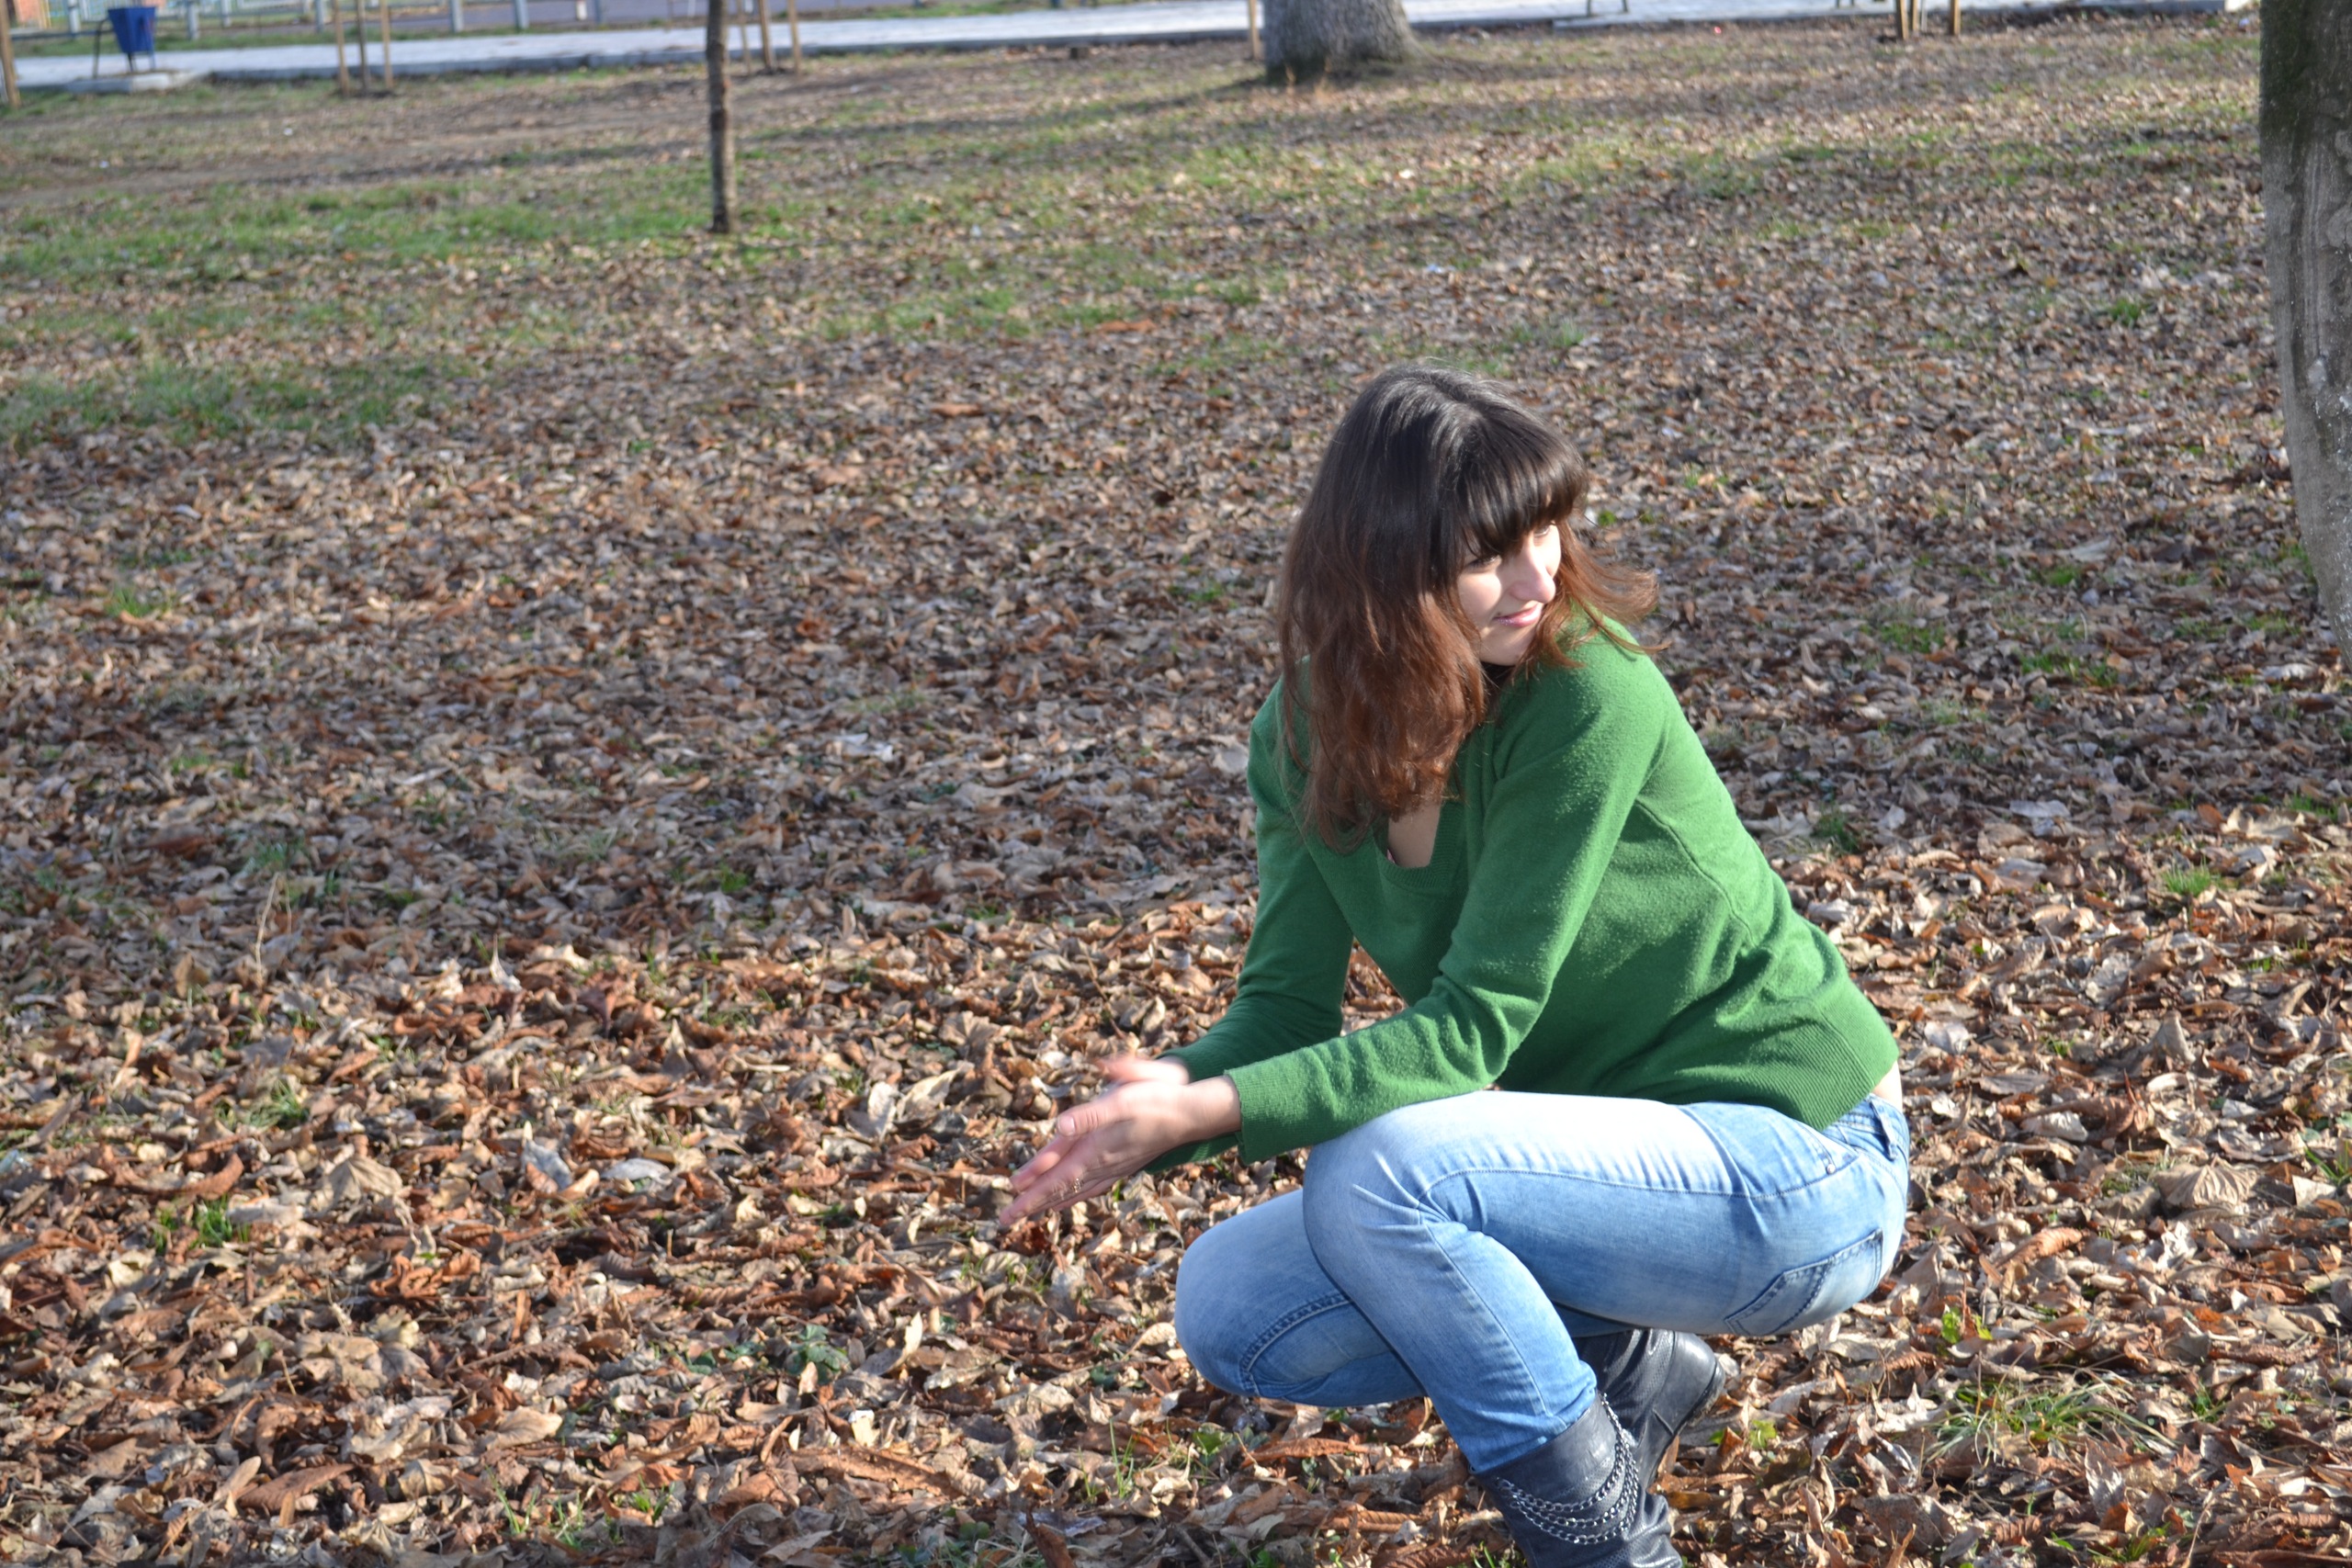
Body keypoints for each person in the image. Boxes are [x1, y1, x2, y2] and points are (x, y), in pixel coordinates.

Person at [997, 366, 1909, 1568]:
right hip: (1606, 1175)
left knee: (1379, 1170)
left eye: (1548, 529)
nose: (1540, 576)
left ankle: (1603, 1545)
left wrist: (1210, 1112)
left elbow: (1472, 1031)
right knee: (1233, 1303)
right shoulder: (1305, 732)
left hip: (1801, 1161)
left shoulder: (1589, 691)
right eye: (1489, 554)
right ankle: (1627, 1368)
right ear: (1381, 567)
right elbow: (1282, 1008)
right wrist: (1168, 1097)